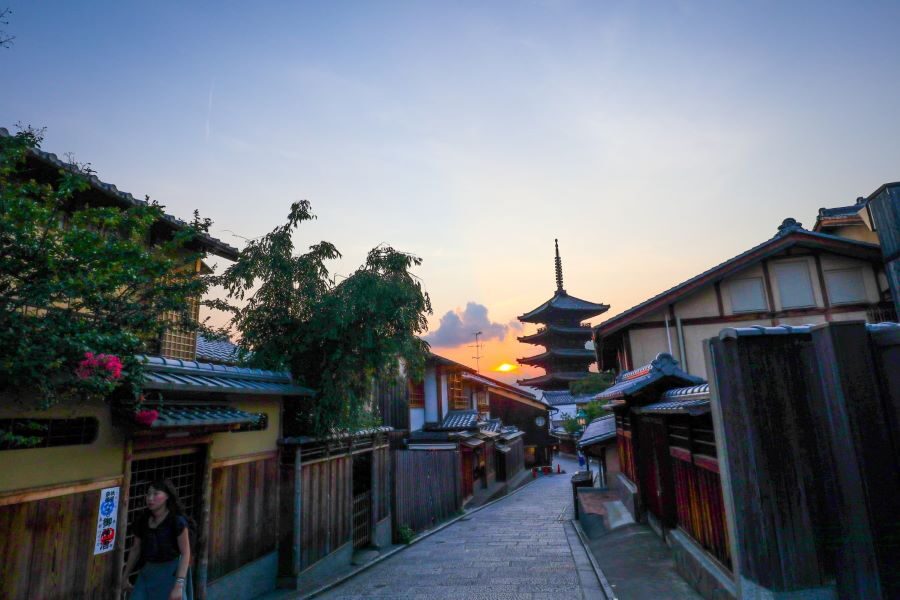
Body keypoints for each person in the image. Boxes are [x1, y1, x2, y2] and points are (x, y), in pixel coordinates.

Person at [122, 479, 193, 600]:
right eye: (148, 494)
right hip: (148, 571)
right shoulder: (143, 520)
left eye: (156, 494)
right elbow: (135, 549)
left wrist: (179, 585)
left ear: (167, 496)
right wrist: (125, 576)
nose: (150, 498)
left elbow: (186, 553)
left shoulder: (177, 522)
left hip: (171, 573)